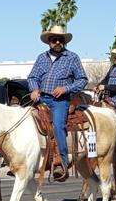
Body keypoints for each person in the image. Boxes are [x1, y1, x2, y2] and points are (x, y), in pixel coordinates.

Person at [27, 25, 88, 181]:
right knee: (24, 119)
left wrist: (66, 88)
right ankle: (24, 159)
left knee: (58, 125)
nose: (57, 42)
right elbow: (32, 77)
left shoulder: (72, 58)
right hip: (41, 98)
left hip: (60, 100)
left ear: (64, 42)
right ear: (49, 41)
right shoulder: (42, 57)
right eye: (54, 39)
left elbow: (82, 80)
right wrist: (34, 89)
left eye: (60, 39)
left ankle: (62, 161)